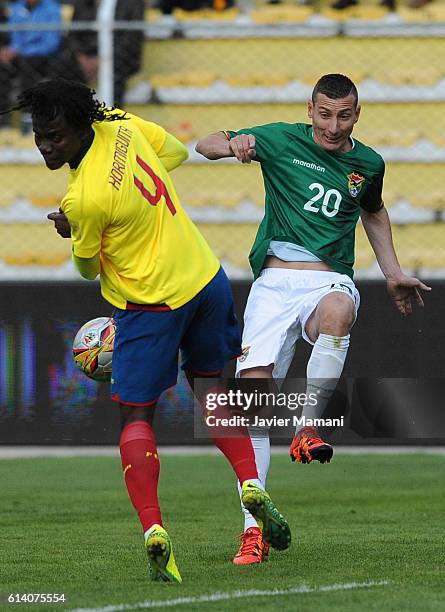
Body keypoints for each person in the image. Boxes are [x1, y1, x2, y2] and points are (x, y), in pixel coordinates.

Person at [6, 78, 290, 582]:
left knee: (136, 417)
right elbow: (176, 152)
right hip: (205, 278)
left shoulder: (84, 199)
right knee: (211, 389)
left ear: (77, 127)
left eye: (56, 136)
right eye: (39, 135)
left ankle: (154, 531)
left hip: (151, 302)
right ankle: (250, 483)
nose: (47, 145)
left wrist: (71, 229)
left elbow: (88, 270)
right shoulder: (118, 124)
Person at [195, 73, 431, 566]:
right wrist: (231, 143)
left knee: (340, 312)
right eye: (325, 113)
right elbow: (204, 142)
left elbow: (375, 213)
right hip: (273, 286)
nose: (333, 124)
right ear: (310, 110)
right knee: (252, 406)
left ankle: (307, 427)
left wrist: (393, 273)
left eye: (344, 114)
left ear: (357, 113)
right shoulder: (281, 139)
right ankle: (252, 531)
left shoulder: (368, 163)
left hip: (329, 280)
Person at [67, 0, 145, 107]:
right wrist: (81, 57)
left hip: (119, 55)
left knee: (116, 66)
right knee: (62, 62)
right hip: (87, 55)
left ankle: (112, 114)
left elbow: (132, 38)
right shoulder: (84, 3)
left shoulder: (133, 2)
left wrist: (104, 59)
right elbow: (73, 35)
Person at [0, 0, 62, 132]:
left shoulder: (52, 9)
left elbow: (51, 44)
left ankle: (27, 116)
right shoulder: (17, 8)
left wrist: (21, 51)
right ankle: (3, 119)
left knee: (27, 65)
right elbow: (15, 39)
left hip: (43, 57)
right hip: (21, 55)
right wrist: (10, 51)